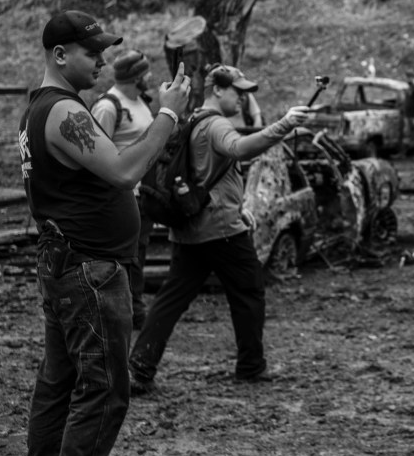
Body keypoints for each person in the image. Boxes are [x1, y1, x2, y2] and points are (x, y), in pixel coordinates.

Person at [18, 10, 191, 456]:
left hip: (66, 264)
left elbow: (105, 164)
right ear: (59, 54)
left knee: (58, 383)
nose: (102, 61)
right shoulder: (65, 112)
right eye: (92, 53)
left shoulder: (44, 108)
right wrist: (169, 115)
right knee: (105, 390)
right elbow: (123, 171)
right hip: (89, 272)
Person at [129, 64, 313, 392]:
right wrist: (285, 124)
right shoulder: (215, 124)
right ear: (217, 90)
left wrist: (239, 208)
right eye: (238, 91)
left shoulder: (193, 120)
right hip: (221, 231)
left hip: (191, 227)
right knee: (249, 292)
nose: (243, 98)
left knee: (172, 298)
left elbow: (211, 175)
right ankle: (251, 366)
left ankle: (141, 367)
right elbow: (239, 149)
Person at [91, 49, 156, 330]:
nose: (151, 78)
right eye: (146, 73)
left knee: (139, 253)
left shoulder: (141, 101)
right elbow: (94, 153)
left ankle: (134, 308)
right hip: (120, 196)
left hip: (144, 194)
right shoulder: (108, 107)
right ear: (135, 76)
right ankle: (124, 311)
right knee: (124, 257)